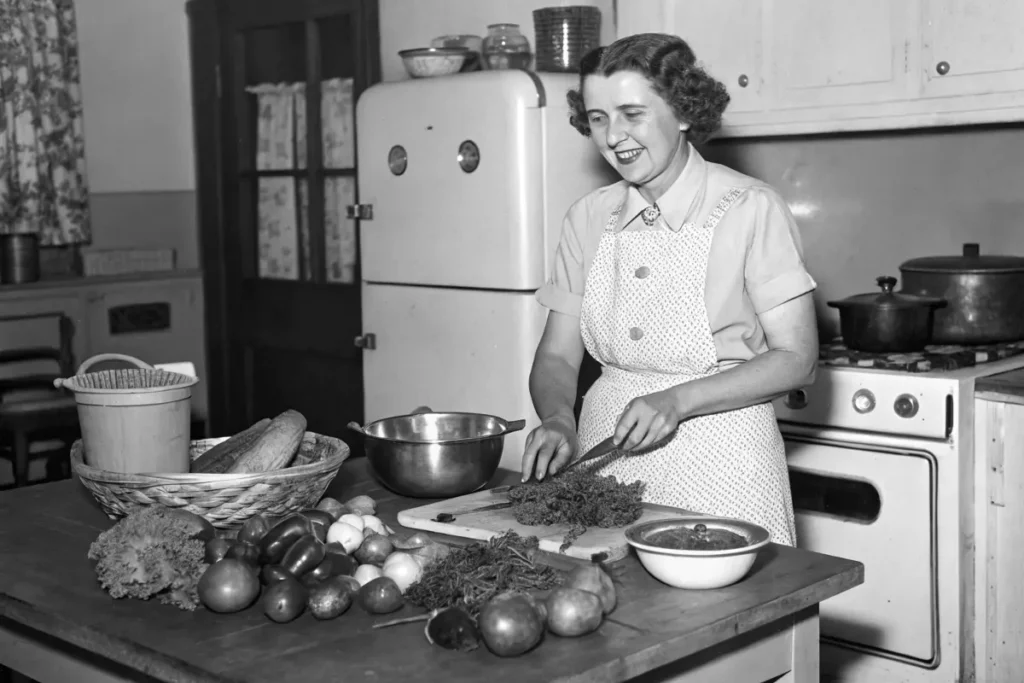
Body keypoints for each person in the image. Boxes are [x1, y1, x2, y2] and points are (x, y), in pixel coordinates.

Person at [520, 33, 819, 546]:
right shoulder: (587, 217)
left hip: (724, 463)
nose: (614, 137)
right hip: (604, 454)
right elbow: (557, 357)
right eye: (597, 118)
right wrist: (557, 418)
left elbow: (797, 359)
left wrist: (678, 401)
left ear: (682, 111)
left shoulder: (750, 207)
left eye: (632, 114)